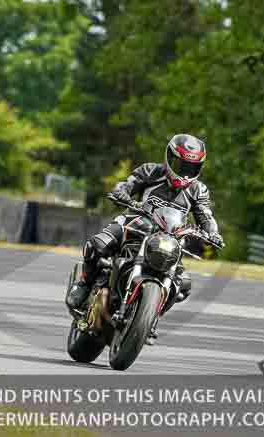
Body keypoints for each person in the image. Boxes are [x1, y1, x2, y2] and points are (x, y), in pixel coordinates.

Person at [67, 133, 224, 342]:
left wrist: (212, 233)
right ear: (169, 157)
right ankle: (84, 284)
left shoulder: (198, 190)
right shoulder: (151, 171)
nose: (185, 172)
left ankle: (150, 318)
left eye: (191, 168)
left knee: (184, 284)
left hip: (171, 238)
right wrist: (121, 193)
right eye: (181, 164)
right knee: (97, 244)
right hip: (135, 223)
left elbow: (206, 215)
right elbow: (126, 184)